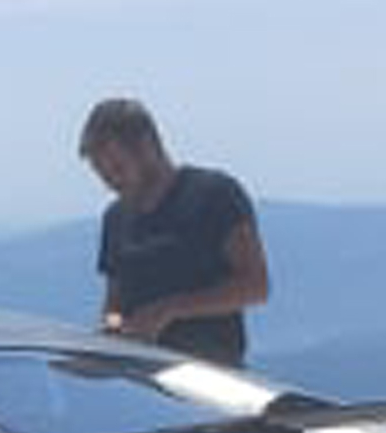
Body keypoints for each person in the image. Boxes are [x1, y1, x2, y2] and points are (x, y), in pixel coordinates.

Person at [78, 95, 271, 366]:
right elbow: (114, 302)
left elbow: (256, 286)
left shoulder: (214, 194)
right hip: (141, 377)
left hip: (211, 377)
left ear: (147, 147)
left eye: (118, 168)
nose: (111, 182)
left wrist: (170, 310)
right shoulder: (116, 217)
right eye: (102, 174)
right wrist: (113, 325)